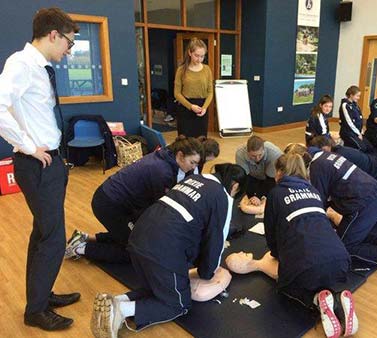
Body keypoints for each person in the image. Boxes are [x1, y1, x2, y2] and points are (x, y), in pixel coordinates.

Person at [89, 164, 247, 337]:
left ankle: (116, 301)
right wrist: (208, 273)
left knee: (158, 289)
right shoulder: (221, 195)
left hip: (138, 236)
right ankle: (121, 309)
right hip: (163, 248)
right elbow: (216, 239)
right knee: (178, 303)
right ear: (235, 186)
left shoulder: (194, 179)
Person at [0, 8, 80, 331]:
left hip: (49, 163)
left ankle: (41, 296)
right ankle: (35, 311)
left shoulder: (40, 67)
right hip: (37, 164)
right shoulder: (21, 64)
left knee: (44, 233)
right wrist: (28, 145)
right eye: (68, 44)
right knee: (53, 238)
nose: (68, 51)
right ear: (53, 35)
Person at [226, 153, 358, 338]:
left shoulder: (276, 193)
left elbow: (271, 232)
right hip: (341, 260)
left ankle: (318, 302)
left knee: (288, 287)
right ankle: (335, 299)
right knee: (316, 273)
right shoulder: (314, 190)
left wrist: (276, 255)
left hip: (308, 264)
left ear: (280, 172)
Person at [65, 136, 203, 263]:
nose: (193, 167)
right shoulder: (163, 171)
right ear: (180, 155)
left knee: (135, 232)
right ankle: (79, 248)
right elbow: (160, 207)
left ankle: (86, 237)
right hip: (109, 204)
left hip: (117, 200)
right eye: (192, 162)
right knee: (136, 249)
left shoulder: (166, 155)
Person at [285, 144, 377, 276]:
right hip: (371, 196)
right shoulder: (324, 156)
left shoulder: (316, 168)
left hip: (363, 204)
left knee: (342, 248)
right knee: (352, 234)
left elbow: (318, 205)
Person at [174, 38, 213, 138]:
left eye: (202, 56)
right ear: (190, 53)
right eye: (196, 55)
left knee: (201, 141)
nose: (199, 59)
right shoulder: (181, 70)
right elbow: (177, 93)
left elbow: (210, 92)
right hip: (185, 107)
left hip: (201, 108)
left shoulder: (207, 69)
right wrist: (191, 106)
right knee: (185, 143)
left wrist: (204, 108)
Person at [339, 85, 373, 152]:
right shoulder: (345, 105)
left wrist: (361, 132)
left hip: (357, 132)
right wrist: (358, 133)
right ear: (351, 95)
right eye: (357, 96)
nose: (358, 98)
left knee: (370, 147)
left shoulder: (355, 105)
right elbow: (349, 122)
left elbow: (360, 119)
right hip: (348, 132)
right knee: (362, 148)